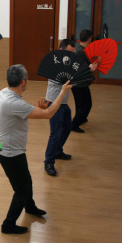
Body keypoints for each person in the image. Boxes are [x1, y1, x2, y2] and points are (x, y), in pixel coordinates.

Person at [0, 64, 72, 234]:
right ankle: (8, 224)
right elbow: (49, 114)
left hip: (12, 150)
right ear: (23, 82)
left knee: (27, 180)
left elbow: (24, 111)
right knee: (21, 190)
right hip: (9, 153)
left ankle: (30, 207)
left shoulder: (4, 93)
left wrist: (39, 110)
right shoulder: (12, 102)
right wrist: (63, 92)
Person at [43, 39, 76, 176]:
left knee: (67, 127)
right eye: (70, 52)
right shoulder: (54, 64)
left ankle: (57, 151)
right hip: (53, 103)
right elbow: (63, 80)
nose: (72, 55)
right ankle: (49, 162)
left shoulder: (68, 64)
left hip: (63, 103)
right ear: (61, 50)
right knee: (55, 133)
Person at [71, 29, 98, 133]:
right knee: (86, 104)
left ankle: (81, 119)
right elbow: (84, 67)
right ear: (90, 38)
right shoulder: (82, 52)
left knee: (80, 103)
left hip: (76, 82)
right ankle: (75, 123)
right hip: (80, 83)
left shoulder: (77, 48)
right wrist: (90, 68)